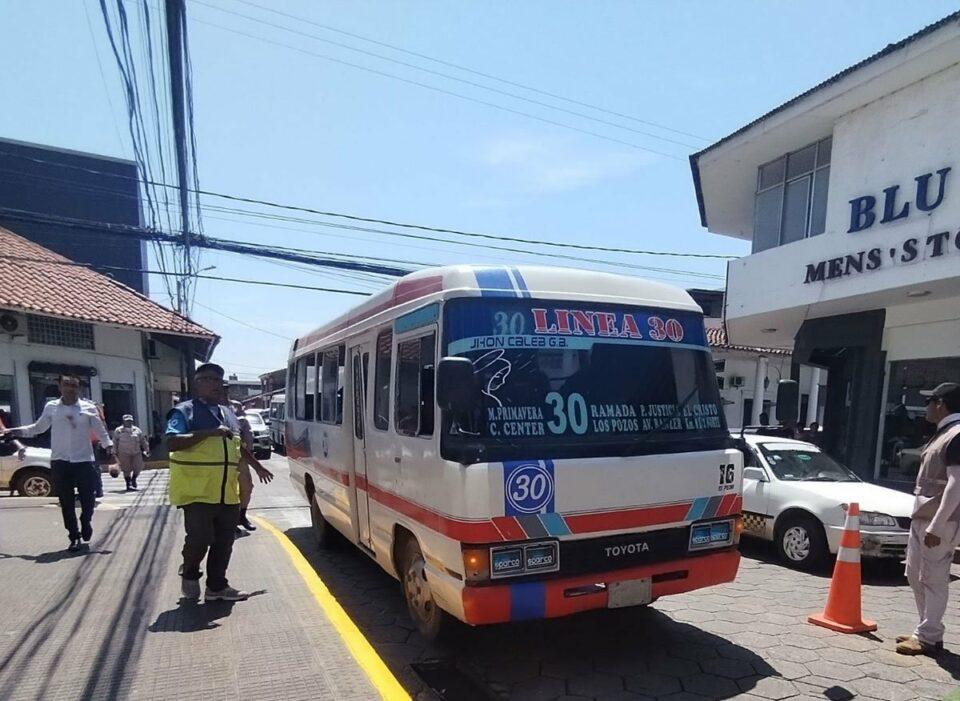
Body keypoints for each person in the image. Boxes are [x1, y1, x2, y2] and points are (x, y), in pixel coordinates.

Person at [1, 374, 114, 551]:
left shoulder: (89, 408)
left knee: (89, 498)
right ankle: (74, 535)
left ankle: (86, 521)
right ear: (60, 387)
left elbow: (101, 431)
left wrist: (109, 447)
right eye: (66, 385)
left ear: (79, 389)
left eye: (74, 386)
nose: (70, 389)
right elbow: (37, 428)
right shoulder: (51, 407)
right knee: (66, 501)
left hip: (84, 460)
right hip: (60, 461)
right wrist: (14, 431)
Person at [166, 363, 249, 602]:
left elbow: (236, 448)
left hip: (227, 493)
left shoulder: (228, 413)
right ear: (197, 383)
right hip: (197, 491)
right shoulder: (184, 411)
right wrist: (207, 433)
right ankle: (190, 572)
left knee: (224, 542)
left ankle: (217, 587)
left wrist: (254, 468)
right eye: (209, 379)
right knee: (199, 539)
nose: (216, 385)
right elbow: (172, 442)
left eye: (218, 380)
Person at [897, 382, 960, 656]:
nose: (926, 408)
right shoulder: (945, 433)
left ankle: (929, 636)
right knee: (915, 574)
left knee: (932, 578)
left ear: (940, 404)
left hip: (938, 521)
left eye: (929, 402)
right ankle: (925, 630)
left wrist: (937, 524)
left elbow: (957, 484)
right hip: (925, 515)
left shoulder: (956, 435)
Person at [225, 397, 274, 534]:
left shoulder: (242, 422)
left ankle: (241, 516)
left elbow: (244, 443)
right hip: (223, 460)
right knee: (230, 491)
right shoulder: (216, 417)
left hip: (240, 458)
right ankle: (230, 521)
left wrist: (257, 466)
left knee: (247, 487)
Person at [113, 414, 149, 491]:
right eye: (127, 421)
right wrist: (114, 452)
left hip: (136, 452)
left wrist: (146, 450)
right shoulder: (118, 431)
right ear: (123, 421)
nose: (129, 422)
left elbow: (143, 441)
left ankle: (134, 479)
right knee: (126, 469)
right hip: (124, 452)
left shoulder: (137, 430)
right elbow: (115, 442)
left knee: (138, 466)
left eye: (130, 421)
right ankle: (128, 484)